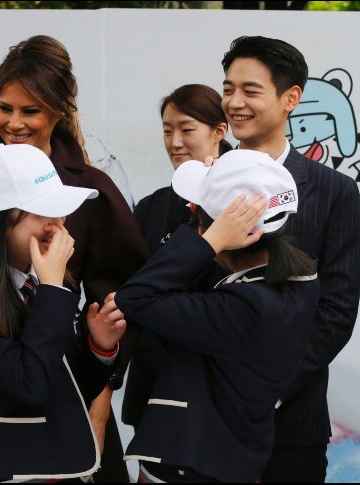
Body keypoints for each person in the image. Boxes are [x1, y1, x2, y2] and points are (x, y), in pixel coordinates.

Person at [0, 35, 147, 480]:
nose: (14, 123)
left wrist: (100, 390)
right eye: (5, 108)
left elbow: (117, 299)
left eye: (29, 110)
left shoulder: (94, 190)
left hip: (69, 395)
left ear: (59, 111)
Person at [117, 149, 319, 483]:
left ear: (231, 237)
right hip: (231, 459)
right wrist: (212, 212)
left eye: (198, 219)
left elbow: (135, 297)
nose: (196, 227)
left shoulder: (244, 308)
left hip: (192, 467)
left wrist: (209, 240)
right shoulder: (300, 278)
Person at [0, 143, 127, 481]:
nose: (59, 224)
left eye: (61, 211)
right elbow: (29, 383)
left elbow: (66, 390)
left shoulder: (39, 283)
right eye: (44, 213)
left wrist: (100, 348)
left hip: (53, 467)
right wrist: (52, 290)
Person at [220, 36, 360, 482]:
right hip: (205, 416)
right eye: (227, 89)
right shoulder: (206, 184)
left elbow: (336, 311)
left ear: (291, 99)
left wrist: (266, 389)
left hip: (292, 421)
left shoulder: (334, 191)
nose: (235, 103)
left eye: (250, 90)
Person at [122, 84, 232, 428]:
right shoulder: (151, 206)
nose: (175, 142)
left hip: (219, 383)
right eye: (167, 131)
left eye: (186, 129)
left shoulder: (241, 200)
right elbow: (133, 288)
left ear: (219, 132)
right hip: (155, 383)